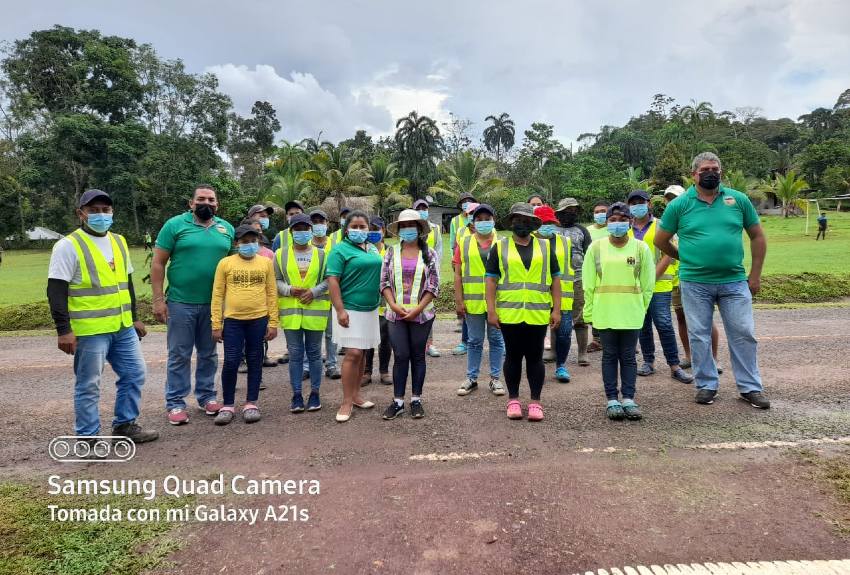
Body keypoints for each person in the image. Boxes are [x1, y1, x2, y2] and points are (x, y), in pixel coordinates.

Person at [655, 152, 769, 408]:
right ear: (694, 174)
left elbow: (758, 237)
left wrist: (755, 275)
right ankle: (706, 384)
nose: (711, 173)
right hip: (695, 282)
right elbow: (660, 240)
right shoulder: (680, 204)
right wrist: (683, 257)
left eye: (715, 169)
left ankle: (750, 388)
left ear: (721, 172)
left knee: (743, 333)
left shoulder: (738, 200)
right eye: (705, 169)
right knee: (699, 335)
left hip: (735, 280)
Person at [47, 189, 159, 444]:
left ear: (112, 212)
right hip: (90, 330)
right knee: (89, 384)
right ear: (81, 213)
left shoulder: (119, 241)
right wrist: (63, 330)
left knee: (135, 373)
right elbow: (56, 290)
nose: (100, 215)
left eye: (105, 210)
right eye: (94, 210)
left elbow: (126, 283)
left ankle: (125, 425)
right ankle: (87, 437)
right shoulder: (68, 246)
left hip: (122, 326)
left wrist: (134, 317)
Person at [152, 184, 232, 425]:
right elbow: (158, 264)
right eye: (201, 199)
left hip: (214, 304)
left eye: (211, 200)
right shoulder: (175, 225)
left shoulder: (226, 229)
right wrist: (158, 300)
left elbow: (233, 266)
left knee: (209, 353)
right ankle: (175, 402)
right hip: (180, 302)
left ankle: (207, 397)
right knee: (179, 354)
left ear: (217, 204)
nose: (206, 203)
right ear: (191, 203)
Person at [485, 203, 561, 422]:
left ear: (533, 223)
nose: (522, 224)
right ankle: (514, 400)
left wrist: (557, 309)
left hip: (537, 312)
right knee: (513, 356)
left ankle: (535, 402)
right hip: (510, 312)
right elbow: (491, 280)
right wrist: (491, 310)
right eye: (518, 220)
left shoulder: (545, 248)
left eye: (527, 220)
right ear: (511, 222)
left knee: (535, 357)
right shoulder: (500, 247)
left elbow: (555, 278)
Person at [583, 202, 655, 421]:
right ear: (607, 223)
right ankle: (612, 399)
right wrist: (589, 312)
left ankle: (629, 399)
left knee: (628, 357)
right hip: (605, 311)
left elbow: (648, 284)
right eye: (612, 220)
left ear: (630, 222)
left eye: (622, 220)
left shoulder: (640, 248)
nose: (617, 224)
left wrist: (640, 308)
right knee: (609, 356)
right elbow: (588, 282)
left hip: (631, 312)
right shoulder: (596, 247)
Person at [211, 225, 278, 425]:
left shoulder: (266, 263)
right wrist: (216, 323)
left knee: (255, 359)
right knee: (231, 360)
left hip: (258, 319)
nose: (250, 245)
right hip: (233, 321)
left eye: (253, 241)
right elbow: (217, 295)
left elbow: (271, 293)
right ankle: (228, 405)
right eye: (245, 241)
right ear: (236, 243)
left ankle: (251, 403)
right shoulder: (225, 263)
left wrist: (273, 322)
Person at [626, 190, 694, 384]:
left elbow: (669, 253)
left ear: (649, 204)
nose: (637, 206)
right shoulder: (626, 229)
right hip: (635, 287)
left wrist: (651, 277)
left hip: (659, 283)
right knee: (643, 325)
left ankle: (674, 365)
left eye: (641, 202)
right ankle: (649, 361)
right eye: (633, 203)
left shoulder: (661, 225)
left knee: (663, 323)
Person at [380, 209, 440, 419]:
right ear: (399, 230)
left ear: (419, 229)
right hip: (395, 314)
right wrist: (394, 306)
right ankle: (398, 402)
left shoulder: (429, 253)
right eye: (403, 226)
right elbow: (384, 282)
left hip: (422, 315)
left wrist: (417, 309)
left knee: (417, 356)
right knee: (401, 355)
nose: (407, 230)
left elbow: (433, 285)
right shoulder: (390, 252)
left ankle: (416, 399)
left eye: (411, 226)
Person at [325, 209, 381, 422]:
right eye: (354, 227)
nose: (359, 230)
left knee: (364, 352)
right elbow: (332, 280)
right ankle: (346, 401)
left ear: (369, 229)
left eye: (363, 226)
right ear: (346, 229)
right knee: (354, 353)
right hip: (349, 308)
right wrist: (339, 310)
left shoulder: (373, 249)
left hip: (371, 309)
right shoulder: (339, 250)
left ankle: (357, 395)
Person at [274, 214, 330, 413]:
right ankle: (296, 395)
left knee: (314, 354)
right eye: (297, 229)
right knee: (296, 354)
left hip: (315, 312)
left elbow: (328, 280)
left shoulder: (322, 254)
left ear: (311, 230)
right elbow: (276, 280)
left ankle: (315, 394)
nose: (302, 232)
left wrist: (314, 292)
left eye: (305, 228)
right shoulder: (280, 254)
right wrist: (289, 290)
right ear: (291, 232)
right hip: (291, 313)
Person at [663, 185, 721, 372]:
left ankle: (713, 359)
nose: (672, 202)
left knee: (705, 319)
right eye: (669, 199)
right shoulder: (666, 225)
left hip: (697, 277)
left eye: (676, 198)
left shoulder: (696, 220)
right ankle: (689, 356)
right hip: (676, 280)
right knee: (681, 318)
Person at [454, 204, 505, 396]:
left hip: (498, 301)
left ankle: (495, 379)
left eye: (487, 219)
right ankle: (472, 378)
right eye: (479, 219)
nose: (484, 222)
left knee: (496, 340)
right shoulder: (464, 243)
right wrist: (459, 300)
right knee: (474, 340)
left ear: (493, 220)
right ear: (473, 223)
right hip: (473, 301)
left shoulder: (503, 242)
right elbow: (458, 274)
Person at [535, 205, 575, 383]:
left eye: (550, 222)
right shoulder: (529, 241)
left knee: (565, 333)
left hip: (563, 295)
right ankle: (535, 366)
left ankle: (561, 365)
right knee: (536, 335)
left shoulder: (565, 242)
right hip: (538, 296)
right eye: (543, 223)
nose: (547, 225)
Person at [554, 197, 593, 366]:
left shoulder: (582, 230)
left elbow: (589, 254)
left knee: (580, 317)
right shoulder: (552, 229)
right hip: (555, 280)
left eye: (574, 210)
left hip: (578, 279)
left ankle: (582, 353)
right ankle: (554, 351)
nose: (571, 213)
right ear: (560, 213)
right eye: (568, 210)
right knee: (555, 316)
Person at [241, 215, 277, 370]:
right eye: (255, 230)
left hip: (262, 299)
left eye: (260, 230)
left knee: (262, 332)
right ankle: (242, 359)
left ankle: (263, 356)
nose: (258, 233)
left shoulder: (269, 253)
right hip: (243, 300)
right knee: (243, 334)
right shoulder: (237, 253)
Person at [308, 208, 341, 379]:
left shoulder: (334, 244)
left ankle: (332, 365)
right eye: (314, 222)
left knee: (331, 333)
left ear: (327, 224)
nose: (318, 225)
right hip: (310, 297)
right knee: (311, 332)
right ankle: (307, 366)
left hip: (331, 295)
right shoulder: (305, 244)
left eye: (321, 222)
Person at [362, 216, 392, 386]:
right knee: (367, 339)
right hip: (367, 300)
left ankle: (384, 371)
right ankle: (366, 371)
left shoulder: (391, 251)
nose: (374, 233)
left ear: (384, 231)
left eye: (377, 229)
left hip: (386, 301)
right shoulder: (362, 250)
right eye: (371, 229)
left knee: (385, 337)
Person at [412, 199, 444, 358]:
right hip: (411, 276)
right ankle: (416, 344)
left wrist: (436, 278)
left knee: (428, 309)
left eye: (424, 208)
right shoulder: (409, 228)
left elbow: (439, 253)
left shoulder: (436, 229)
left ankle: (429, 344)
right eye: (418, 208)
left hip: (428, 276)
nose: (422, 211)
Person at [450, 193, 477, 354]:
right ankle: (465, 342)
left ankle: (497, 343)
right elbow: (455, 247)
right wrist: (455, 265)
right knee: (467, 311)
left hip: (487, 279)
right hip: (467, 276)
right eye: (470, 214)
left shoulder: (493, 232)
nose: (473, 217)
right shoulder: (460, 230)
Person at [585, 201, 610, 354]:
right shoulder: (588, 231)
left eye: (603, 211)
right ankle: (596, 340)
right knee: (595, 305)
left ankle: (623, 340)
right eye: (597, 211)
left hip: (612, 274)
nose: (600, 214)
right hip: (594, 273)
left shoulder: (615, 228)